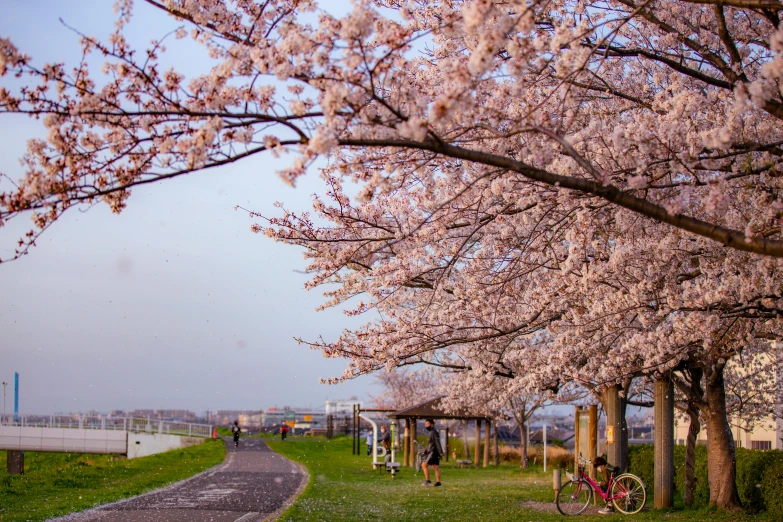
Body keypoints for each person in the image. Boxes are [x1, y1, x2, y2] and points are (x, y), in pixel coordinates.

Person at [421, 419, 444, 487]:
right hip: (434, 451)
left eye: (427, 424)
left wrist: (440, 451)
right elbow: (431, 444)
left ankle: (428, 481)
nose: (426, 426)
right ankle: (438, 483)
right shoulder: (432, 432)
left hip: (433, 452)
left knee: (424, 465)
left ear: (432, 424)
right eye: (425, 424)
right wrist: (425, 450)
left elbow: (437, 442)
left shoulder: (433, 432)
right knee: (435, 467)